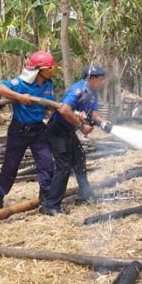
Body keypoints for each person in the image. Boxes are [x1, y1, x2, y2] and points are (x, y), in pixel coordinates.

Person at [39, 64, 112, 216]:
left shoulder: (93, 92)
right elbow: (64, 109)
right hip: (57, 130)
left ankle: (85, 195)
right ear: (91, 79)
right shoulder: (78, 90)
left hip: (68, 131)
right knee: (64, 166)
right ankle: (50, 205)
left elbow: (94, 112)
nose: (102, 82)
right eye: (100, 79)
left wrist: (102, 122)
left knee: (79, 159)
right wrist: (81, 126)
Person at [0, 51, 57, 210]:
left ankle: (46, 199)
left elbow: (50, 104)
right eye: (49, 68)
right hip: (19, 130)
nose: (52, 71)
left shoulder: (49, 84)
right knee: (10, 166)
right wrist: (19, 97)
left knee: (47, 164)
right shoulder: (21, 83)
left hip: (38, 130)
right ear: (39, 70)